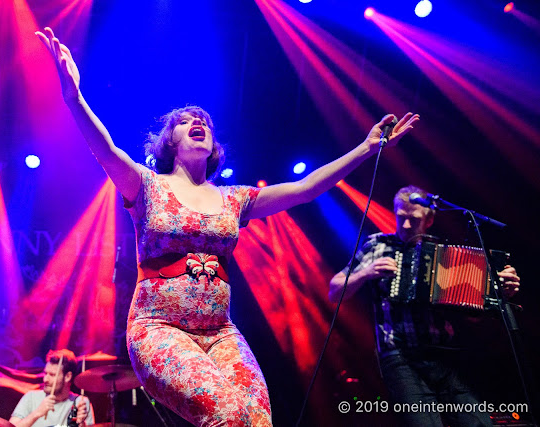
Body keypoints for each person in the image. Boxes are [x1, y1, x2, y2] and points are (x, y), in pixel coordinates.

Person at [35, 26, 419, 426]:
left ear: (214, 145)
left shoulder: (235, 199)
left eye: (203, 120)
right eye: (185, 122)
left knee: (257, 418)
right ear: (169, 141)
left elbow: (305, 189)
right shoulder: (146, 185)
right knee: (226, 412)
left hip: (220, 332)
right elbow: (107, 149)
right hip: (158, 329)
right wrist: (73, 97)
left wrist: (366, 148)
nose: (196, 122)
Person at [329, 185, 521, 427]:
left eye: (414, 219)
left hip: (446, 355)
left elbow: (473, 315)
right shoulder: (377, 245)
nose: (407, 225)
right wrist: (365, 273)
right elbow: (334, 290)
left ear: (429, 219)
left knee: (478, 423)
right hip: (400, 357)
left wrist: (501, 290)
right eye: (401, 218)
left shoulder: (444, 253)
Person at [10, 349, 94, 427]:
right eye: (46, 373)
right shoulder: (31, 398)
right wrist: (36, 413)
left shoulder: (81, 403)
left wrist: (82, 424)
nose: (45, 379)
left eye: (52, 375)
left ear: (68, 376)